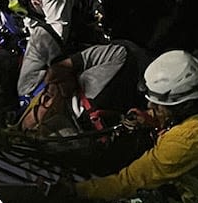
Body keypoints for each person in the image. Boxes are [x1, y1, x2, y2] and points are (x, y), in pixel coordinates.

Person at [73, 50, 198, 201]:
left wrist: (77, 191)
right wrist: (153, 117)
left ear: (183, 104)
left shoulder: (186, 141)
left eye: (159, 105)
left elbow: (130, 181)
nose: (151, 106)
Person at [14, 42, 149, 138]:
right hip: (142, 67)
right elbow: (122, 53)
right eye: (45, 100)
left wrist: (70, 66)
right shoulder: (91, 88)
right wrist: (70, 65)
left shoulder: (78, 93)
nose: (44, 96)